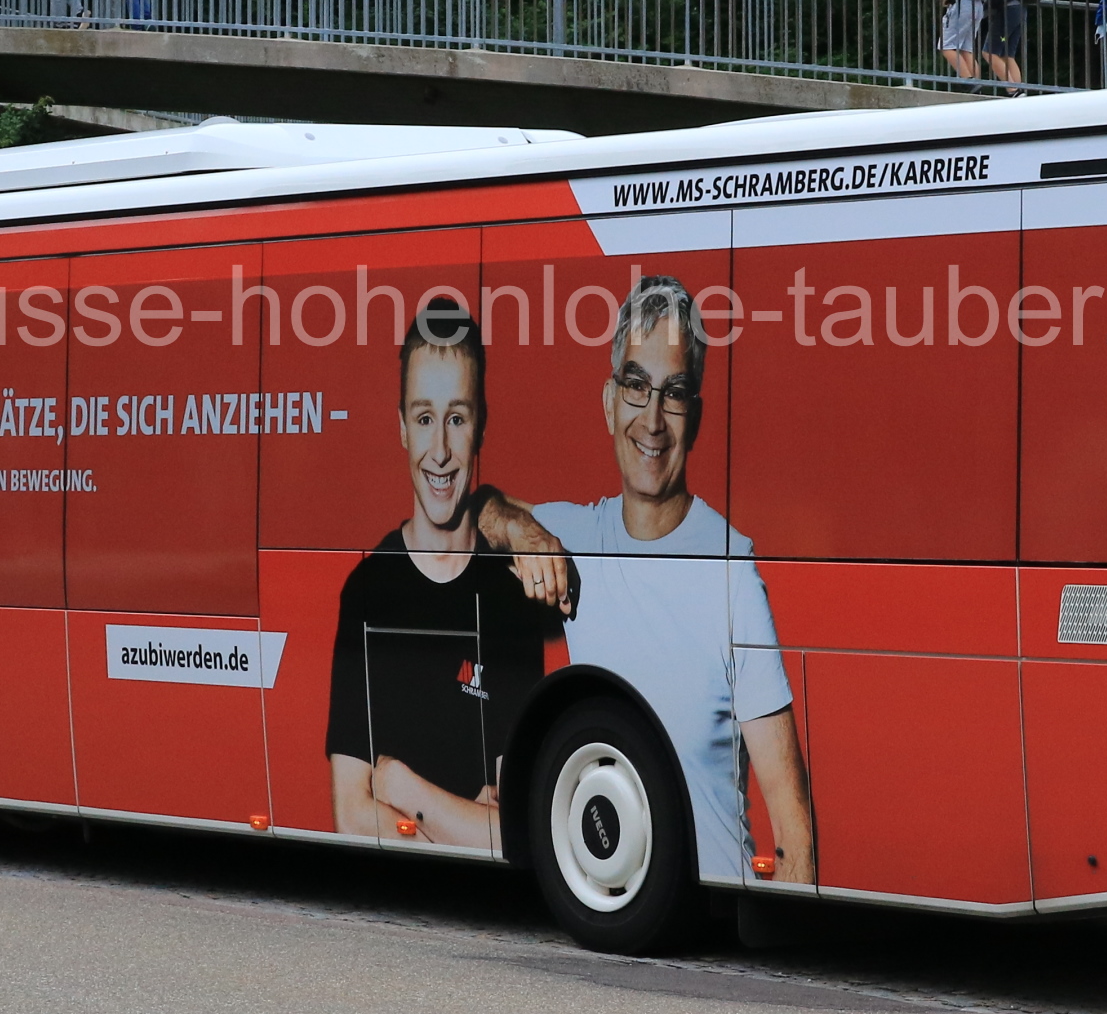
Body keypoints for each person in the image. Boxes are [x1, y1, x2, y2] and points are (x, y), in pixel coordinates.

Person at [528, 278, 817, 885]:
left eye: (675, 393)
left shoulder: (730, 573)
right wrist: (518, 530)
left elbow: (794, 830)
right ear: (610, 403)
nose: (653, 420)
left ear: (697, 417)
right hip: (625, 911)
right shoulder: (570, 535)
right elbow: (475, 514)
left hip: (714, 912)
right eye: (637, 386)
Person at [327, 299, 569, 851]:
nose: (439, 451)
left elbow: (511, 833)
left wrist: (401, 785)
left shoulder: (511, 597)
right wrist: (463, 821)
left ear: (480, 425)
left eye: (456, 419)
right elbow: (350, 814)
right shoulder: (366, 592)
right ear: (402, 428)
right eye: (424, 419)